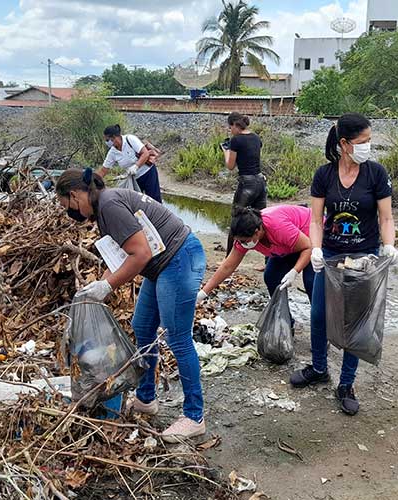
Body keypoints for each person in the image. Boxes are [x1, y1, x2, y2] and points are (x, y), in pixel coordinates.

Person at [57, 167, 206, 442]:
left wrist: (108, 286)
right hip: (161, 265)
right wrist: (96, 286)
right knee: (142, 327)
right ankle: (145, 399)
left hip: (179, 258)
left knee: (178, 338)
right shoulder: (105, 208)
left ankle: (194, 416)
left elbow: (140, 254)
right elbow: (120, 259)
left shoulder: (110, 205)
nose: (71, 212)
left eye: (68, 205)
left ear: (76, 195)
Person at [289, 113, 398, 416]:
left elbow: (386, 218)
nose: (368, 147)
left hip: (363, 257)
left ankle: (346, 383)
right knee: (320, 313)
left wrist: (388, 245)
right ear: (344, 144)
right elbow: (314, 219)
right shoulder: (324, 175)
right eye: (363, 142)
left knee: (354, 320)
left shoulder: (376, 174)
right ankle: (319, 368)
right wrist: (316, 249)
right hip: (331, 257)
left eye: (369, 141)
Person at [197, 205, 314, 307]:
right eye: (240, 241)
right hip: (287, 246)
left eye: (245, 241)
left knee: (311, 282)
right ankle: (284, 321)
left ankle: (321, 322)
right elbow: (227, 266)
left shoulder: (277, 226)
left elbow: (308, 246)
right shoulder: (245, 237)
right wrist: (203, 293)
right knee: (271, 277)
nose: (242, 244)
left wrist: (295, 271)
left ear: (257, 232)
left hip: (313, 239)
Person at [222, 112, 267, 257]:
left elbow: (230, 165)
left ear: (235, 125)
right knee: (263, 222)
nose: (231, 130)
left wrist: (226, 150)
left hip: (247, 183)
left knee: (236, 220)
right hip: (260, 181)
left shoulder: (236, 140)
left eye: (231, 127)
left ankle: (227, 259)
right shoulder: (256, 138)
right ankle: (269, 260)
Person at [98, 124, 163, 203]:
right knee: (138, 203)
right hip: (135, 179)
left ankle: (159, 215)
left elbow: (145, 154)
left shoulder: (130, 139)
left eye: (107, 140)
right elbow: (103, 170)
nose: (107, 142)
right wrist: (92, 180)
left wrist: (136, 166)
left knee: (154, 200)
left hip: (148, 173)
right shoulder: (113, 152)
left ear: (114, 137)